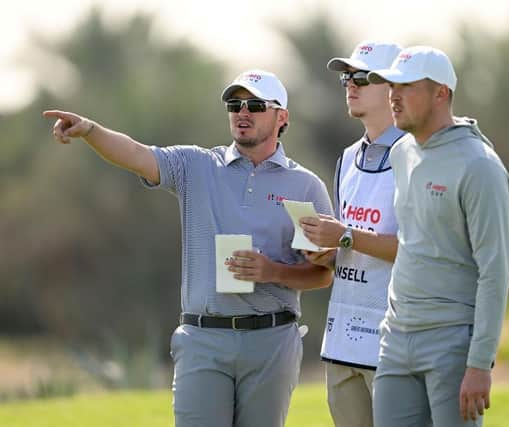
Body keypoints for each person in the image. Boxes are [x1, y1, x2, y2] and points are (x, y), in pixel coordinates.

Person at [43, 69, 334, 427]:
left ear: (281, 117)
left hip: (272, 341)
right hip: (203, 338)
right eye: (234, 104)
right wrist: (90, 130)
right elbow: (135, 154)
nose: (243, 112)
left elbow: (323, 273)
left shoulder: (305, 186)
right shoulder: (196, 165)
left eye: (256, 105)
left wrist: (272, 271)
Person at [367, 46, 509, 426]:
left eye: (406, 86)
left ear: (441, 94)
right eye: (391, 87)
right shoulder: (401, 153)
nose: (393, 97)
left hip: (452, 342)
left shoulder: (480, 167)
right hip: (396, 339)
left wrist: (480, 364)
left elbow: (495, 271)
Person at [299, 40, 404, 427]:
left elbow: (417, 250)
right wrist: (325, 252)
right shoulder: (346, 158)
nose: (350, 84)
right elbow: (351, 242)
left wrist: (344, 236)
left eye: (362, 76)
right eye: (347, 77)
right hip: (341, 342)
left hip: (392, 345)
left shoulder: (416, 157)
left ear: (394, 86)